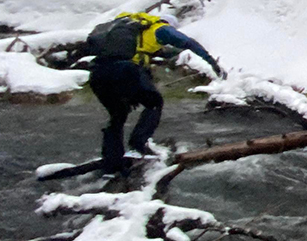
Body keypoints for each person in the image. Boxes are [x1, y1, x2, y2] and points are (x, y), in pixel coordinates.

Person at [82, 12, 224, 173]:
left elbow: (156, 52)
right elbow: (188, 42)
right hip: (125, 70)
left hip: (97, 73)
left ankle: (111, 164)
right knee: (154, 103)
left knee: (117, 115)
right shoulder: (160, 28)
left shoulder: (123, 27)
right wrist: (212, 62)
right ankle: (137, 147)